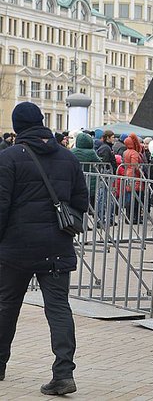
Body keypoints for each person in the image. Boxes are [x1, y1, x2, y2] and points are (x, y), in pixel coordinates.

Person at [0, 102, 88, 395]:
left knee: (6, 305)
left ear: (17, 127)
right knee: (59, 308)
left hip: (16, 247)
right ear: (41, 122)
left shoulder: (9, 158)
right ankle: (63, 373)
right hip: (57, 246)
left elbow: (1, 206)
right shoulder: (67, 157)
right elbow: (81, 201)